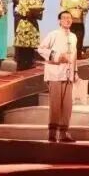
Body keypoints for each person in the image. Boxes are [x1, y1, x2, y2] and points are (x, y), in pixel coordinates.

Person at [37, 10, 79, 143]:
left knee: (67, 105)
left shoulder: (73, 37)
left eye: (69, 18)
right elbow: (41, 49)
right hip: (55, 74)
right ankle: (52, 133)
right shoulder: (53, 34)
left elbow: (74, 56)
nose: (67, 20)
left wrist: (75, 71)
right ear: (59, 21)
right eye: (64, 18)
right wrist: (57, 56)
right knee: (55, 104)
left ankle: (63, 133)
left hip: (68, 74)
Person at [14, 0, 44, 71]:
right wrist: (27, 13)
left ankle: (30, 64)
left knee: (31, 47)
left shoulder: (38, 0)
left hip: (33, 25)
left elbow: (40, 15)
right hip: (24, 25)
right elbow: (19, 11)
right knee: (23, 47)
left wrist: (36, 13)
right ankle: (21, 65)